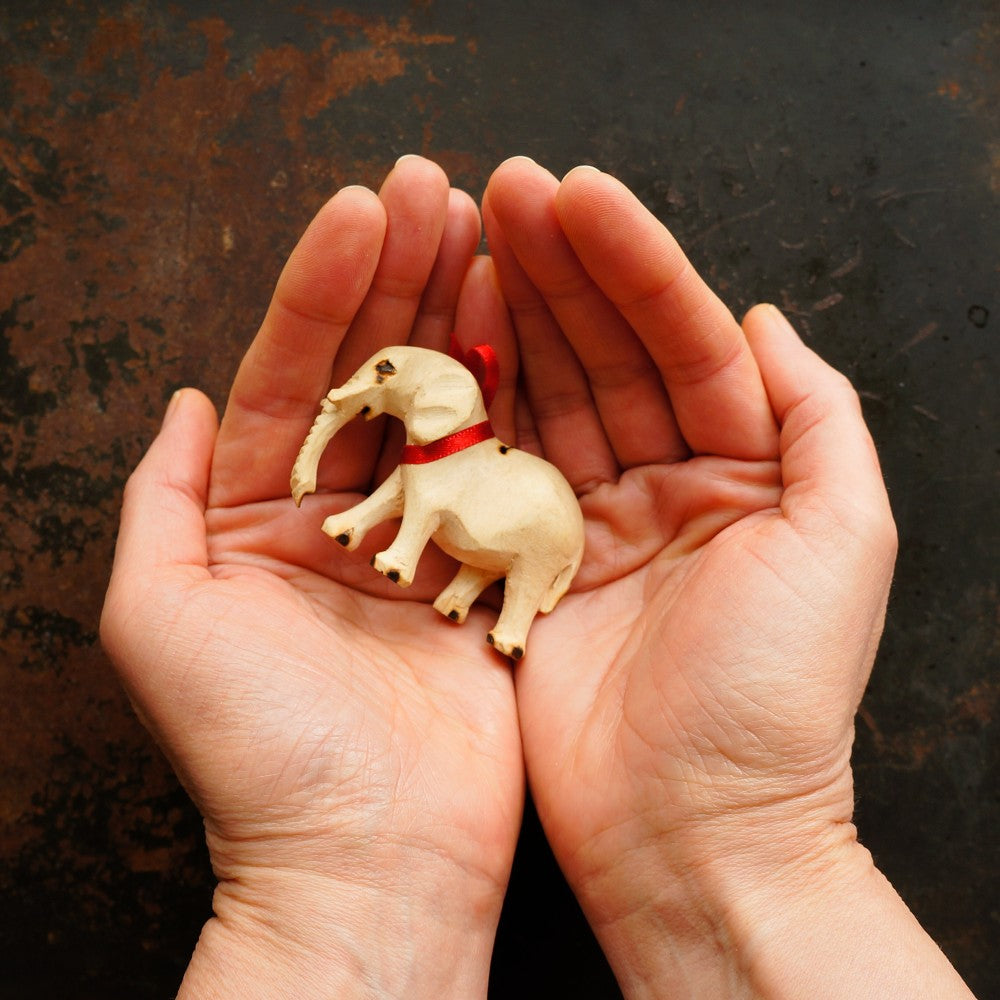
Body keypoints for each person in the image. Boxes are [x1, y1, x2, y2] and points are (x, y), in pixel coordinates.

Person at [100, 154, 976, 998]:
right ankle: (466, 592)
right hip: (487, 519)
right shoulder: (426, 458)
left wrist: (746, 824)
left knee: (465, 536)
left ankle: (494, 601)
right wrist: (746, 852)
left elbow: (429, 501)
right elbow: (418, 488)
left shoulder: (450, 462)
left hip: (521, 529)